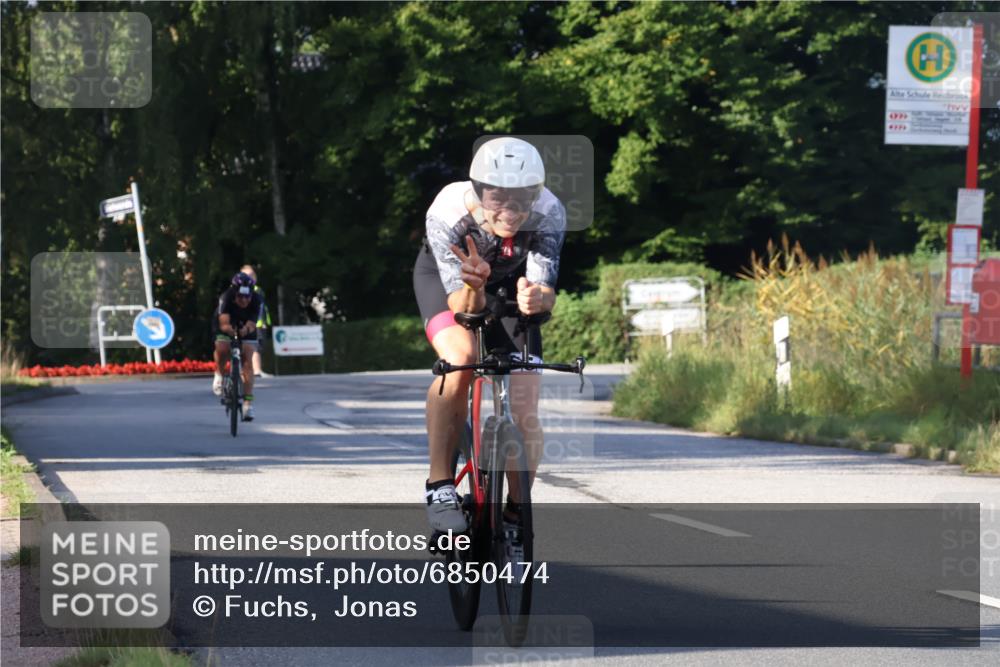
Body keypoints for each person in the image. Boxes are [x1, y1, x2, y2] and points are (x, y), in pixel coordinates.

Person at [413, 137, 566, 534]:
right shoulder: (448, 212)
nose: (510, 212)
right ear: (479, 191)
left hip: (510, 285)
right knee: (460, 359)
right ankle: (439, 485)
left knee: (525, 404)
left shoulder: (549, 211)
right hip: (453, 283)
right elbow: (464, 307)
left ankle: (515, 513)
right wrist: (475, 286)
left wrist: (538, 298)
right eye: (498, 198)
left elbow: (545, 289)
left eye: (522, 198)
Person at [212, 272, 264, 421]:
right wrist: (232, 332)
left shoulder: (257, 299)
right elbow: (224, 323)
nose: (244, 300)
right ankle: (219, 374)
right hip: (227, 323)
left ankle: (248, 404)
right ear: (234, 293)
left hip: (246, 325)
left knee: (247, 359)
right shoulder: (226, 297)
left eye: (247, 297)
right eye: (240, 296)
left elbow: (253, 323)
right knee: (222, 349)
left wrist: (245, 330)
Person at [239, 264, 271, 377]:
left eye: (252, 275)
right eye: (247, 275)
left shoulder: (257, 290)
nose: (250, 277)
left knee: (255, 347)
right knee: (254, 347)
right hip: (253, 323)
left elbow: (261, 308)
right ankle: (256, 370)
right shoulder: (246, 290)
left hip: (256, 322)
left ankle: (251, 370)